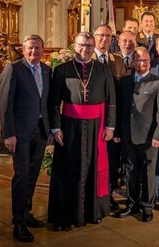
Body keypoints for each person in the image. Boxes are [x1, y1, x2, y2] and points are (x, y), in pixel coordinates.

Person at [47, 32, 116, 231]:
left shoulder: (103, 70)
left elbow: (111, 101)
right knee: (67, 170)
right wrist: (56, 127)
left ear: (94, 47)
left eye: (89, 45)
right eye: (81, 45)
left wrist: (110, 127)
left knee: (93, 168)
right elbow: (53, 103)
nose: (85, 49)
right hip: (69, 127)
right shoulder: (61, 70)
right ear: (74, 46)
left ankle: (93, 212)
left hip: (96, 127)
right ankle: (64, 215)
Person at [0, 34, 49, 242]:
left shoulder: (47, 70)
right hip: (19, 133)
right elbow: (5, 104)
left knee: (33, 174)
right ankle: (18, 221)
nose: (33, 52)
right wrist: (8, 134)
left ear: (42, 50)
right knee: (21, 176)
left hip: (40, 130)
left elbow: (45, 101)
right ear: (23, 49)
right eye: (30, 48)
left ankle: (27, 213)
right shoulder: (14, 69)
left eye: (37, 48)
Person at [115, 47, 159, 223]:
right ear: (133, 62)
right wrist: (117, 132)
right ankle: (132, 204)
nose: (142, 63)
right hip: (127, 135)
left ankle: (147, 206)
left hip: (149, 137)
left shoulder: (158, 83)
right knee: (130, 171)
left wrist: (158, 135)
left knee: (148, 173)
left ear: (149, 62)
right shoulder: (124, 82)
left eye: (145, 60)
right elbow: (119, 109)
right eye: (138, 60)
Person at [92, 24, 127, 213]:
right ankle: (93, 194)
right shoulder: (86, 58)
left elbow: (122, 93)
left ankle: (109, 193)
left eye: (108, 36)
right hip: (92, 118)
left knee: (112, 160)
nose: (105, 40)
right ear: (94, 37)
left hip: (112, 118)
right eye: (101, 36)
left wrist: (117, 126)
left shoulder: (118, 60)